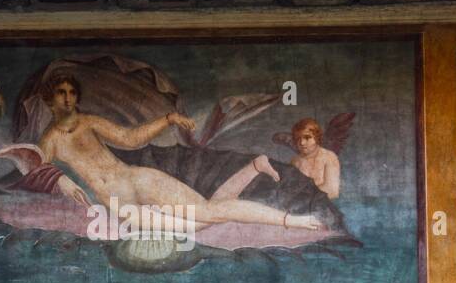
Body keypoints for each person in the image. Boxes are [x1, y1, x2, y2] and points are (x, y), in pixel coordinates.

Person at [36, 73, 322, 231]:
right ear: (49, 99)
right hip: (118, 202)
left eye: (72, 92)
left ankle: (289, 220)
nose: (68, 97)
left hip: (136, 179)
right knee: (197, 226)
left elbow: (130, 138)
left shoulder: (89, 122)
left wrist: (168, 119)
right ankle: (254, 168)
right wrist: (60, 179)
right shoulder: (50, 139)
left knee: (208, 212)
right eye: (61, 92)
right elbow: (34, 168)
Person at [289, 117, 341, 199]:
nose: (302, 143)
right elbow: (290, 189)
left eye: (307, 137)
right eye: (298, 138)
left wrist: (302, 195)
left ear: (316, 138)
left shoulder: (329, 157)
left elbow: (332, 191)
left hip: (324, 206)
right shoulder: (295, 161)